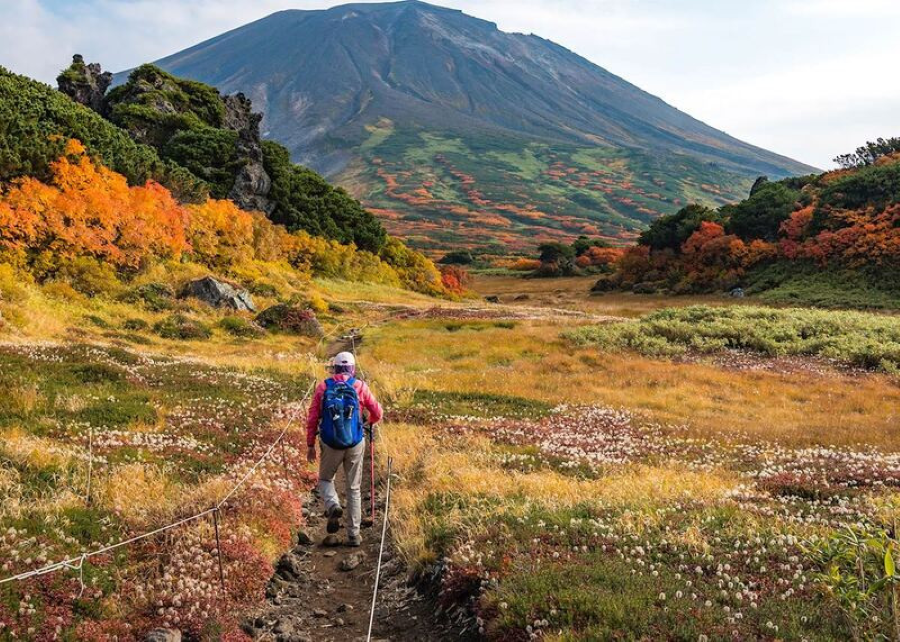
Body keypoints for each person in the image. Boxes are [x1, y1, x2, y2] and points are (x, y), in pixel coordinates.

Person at [306, 351, 383, 546]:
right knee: (353, 488)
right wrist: (368, 424)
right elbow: (378, 412)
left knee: (325, 479)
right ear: (353, 368)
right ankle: (354, 535)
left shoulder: (323, 387)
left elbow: (313, 418)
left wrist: (310, 445)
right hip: (355, 442)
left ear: (335, 368)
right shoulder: (359, 386)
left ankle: (332, 504)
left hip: (330, 443)